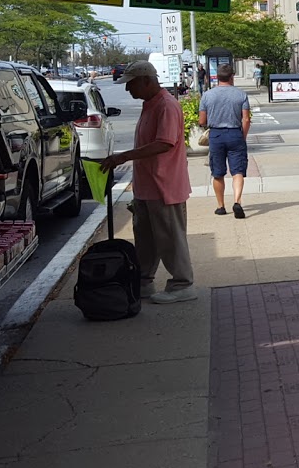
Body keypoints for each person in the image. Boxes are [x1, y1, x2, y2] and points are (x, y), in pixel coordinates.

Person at [103, 61, 195, 304]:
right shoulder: (150, 104)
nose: (128, 90)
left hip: (164, 184)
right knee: (146, 238)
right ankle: (144, 281)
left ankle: (182, 284)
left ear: (146, 81)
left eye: (131, 84)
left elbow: (164, 143)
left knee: (169, 237)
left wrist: (122, 157)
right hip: (147, 185)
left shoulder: (166, 105)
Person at [198, 63, 252, 219]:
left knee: (218, 173)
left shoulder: (207, 95)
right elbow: (246, 119)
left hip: (216, 135)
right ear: (231, 76)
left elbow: (202, 120)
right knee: (238, 171)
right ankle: (237, 201)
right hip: (235, 134)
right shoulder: (241, 95)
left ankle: (220, 206)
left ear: (216, 77)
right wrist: (243, 136)